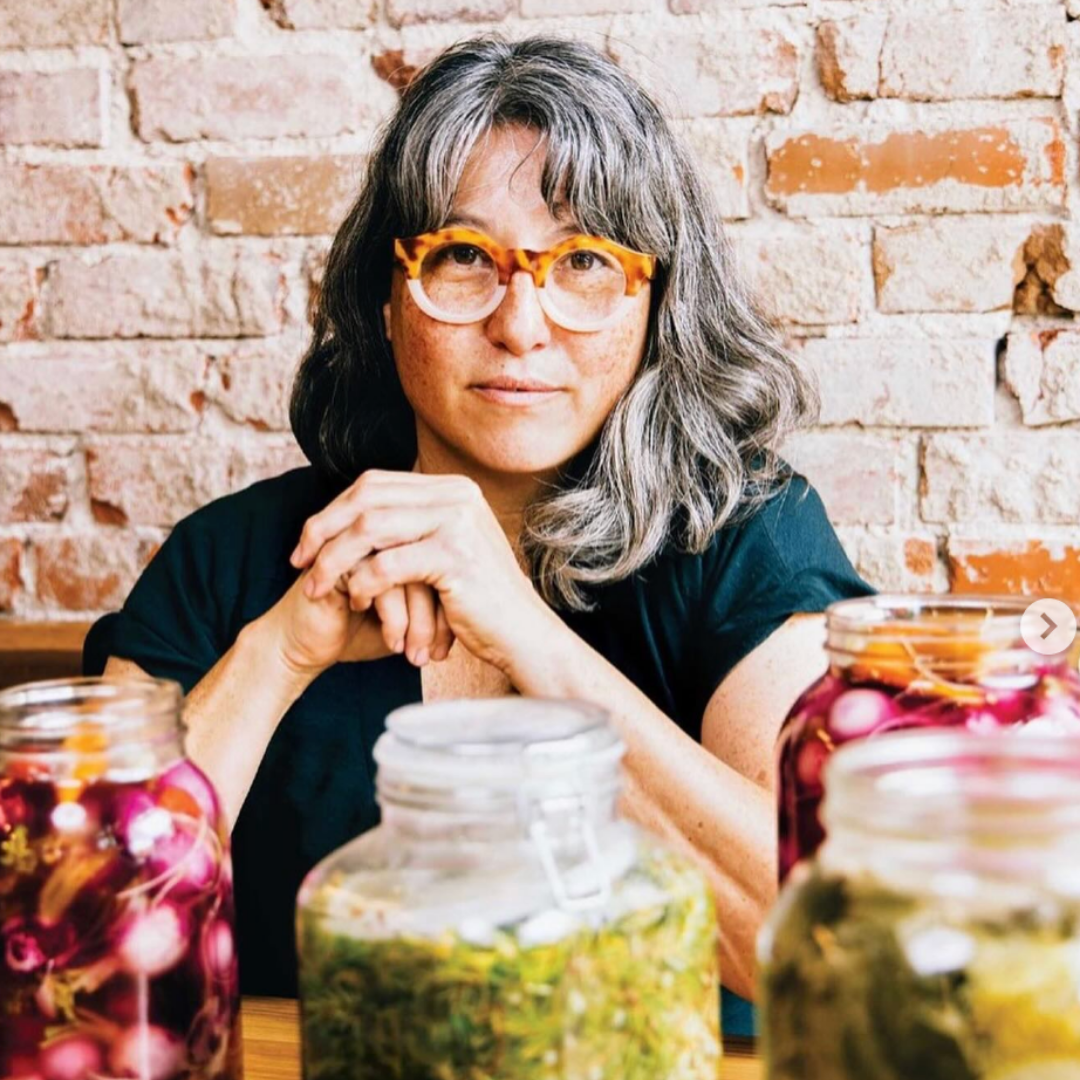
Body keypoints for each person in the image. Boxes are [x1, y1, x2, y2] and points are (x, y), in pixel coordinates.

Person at [84, 34, 873, 1035]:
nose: (522, 322)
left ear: (655, 302)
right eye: (463, 257)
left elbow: (823, 947)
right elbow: (82, 949)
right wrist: (280, 652)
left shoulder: (747, 538)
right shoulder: (229, 562)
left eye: (585, 261)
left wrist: (521, 631)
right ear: (385, 289)